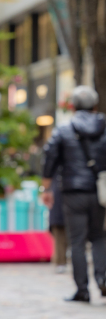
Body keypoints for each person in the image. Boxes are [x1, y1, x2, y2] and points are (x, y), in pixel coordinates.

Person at [41, 85, 106, 303]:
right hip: (100, 191)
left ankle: (82, 290)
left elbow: (49, 158)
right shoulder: (104, 126)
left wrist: (46, 188)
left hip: (73, 192)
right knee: (99, 236)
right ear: (95, 105)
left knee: (77, 240)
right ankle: (103, 279)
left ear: (73, 106)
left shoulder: (64, 129)